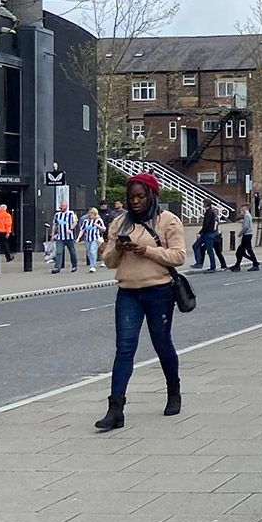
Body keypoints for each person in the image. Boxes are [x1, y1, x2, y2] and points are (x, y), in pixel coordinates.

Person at [95, 172, 186, 431]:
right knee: (124, 349)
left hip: (159, 291)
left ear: (151, 196)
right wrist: (118, 250)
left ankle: (173, 391)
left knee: (162, 343)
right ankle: (115, 409)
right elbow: (110, 262)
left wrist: (146, 250)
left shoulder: (167, 221)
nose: (135, 201)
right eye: (131, 197)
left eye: (140, 196)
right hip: (128, 293)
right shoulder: (120, 223)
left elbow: (178, 256)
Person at [229, 202, 259, 271]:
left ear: (245, 208)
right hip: (247, 235)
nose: (240, 210)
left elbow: (246, 226)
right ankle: (238, 265)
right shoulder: (247, 215)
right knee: (241, 251)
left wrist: (240, 233)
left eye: (241, 208)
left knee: (245, 251)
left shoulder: (247, 216)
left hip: (247, 235)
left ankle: (255, 263)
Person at [51, 201, 79, 274]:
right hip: (60, 237)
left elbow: (75, 222)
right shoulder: (57, 215)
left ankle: (74, 265)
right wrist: (53, 235)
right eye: (61, 206)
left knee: (72, 251)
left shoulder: (71, 213)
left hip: (69, 237)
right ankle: (57, 267)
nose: (61, 207)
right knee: (59, 252)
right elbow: (55, 225)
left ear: (66, 206)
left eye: (63, 206)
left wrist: (71, 229)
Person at [192, 199, 218, 271]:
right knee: (196, 246)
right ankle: (199, 263)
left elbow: (206, 224)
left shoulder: (209, 212)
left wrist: (200, 233)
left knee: (209, 250)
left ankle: (212, 267)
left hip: (208, 234)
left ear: (206, 204)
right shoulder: (209, 211)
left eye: (203, 203)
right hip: (206, 233)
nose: (202, 204)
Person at [77, 206, 106, 272]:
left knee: (93, 251)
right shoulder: (85, 221)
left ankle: (92, 266)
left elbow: (104, 229)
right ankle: (92, 263)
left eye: (92, 213)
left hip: (95, 238)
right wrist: (78, 238)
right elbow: (82, 230)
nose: (90, 215)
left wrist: (97, 225)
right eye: (89, 213)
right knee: (89, 252)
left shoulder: (98, 220)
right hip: (87, 239)